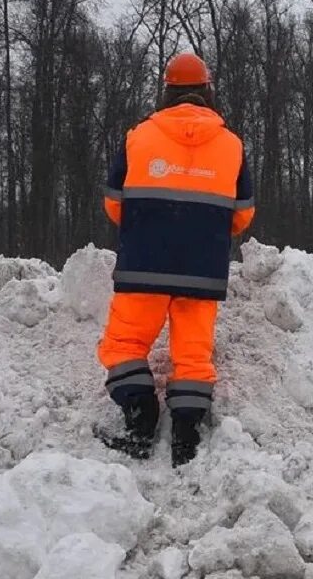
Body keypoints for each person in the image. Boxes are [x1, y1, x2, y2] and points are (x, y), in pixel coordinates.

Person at [97, 52, 254, 467]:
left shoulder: (138, 137)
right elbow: (242, 214)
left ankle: (140, 414)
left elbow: (114, 204)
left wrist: (148, 227)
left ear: (166, 90)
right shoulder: (232, 145)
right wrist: (204, 233)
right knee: (193, 353)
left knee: (125, 343)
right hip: (201, 269)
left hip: (142, 264)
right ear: (207, 90)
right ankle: (186, 431)